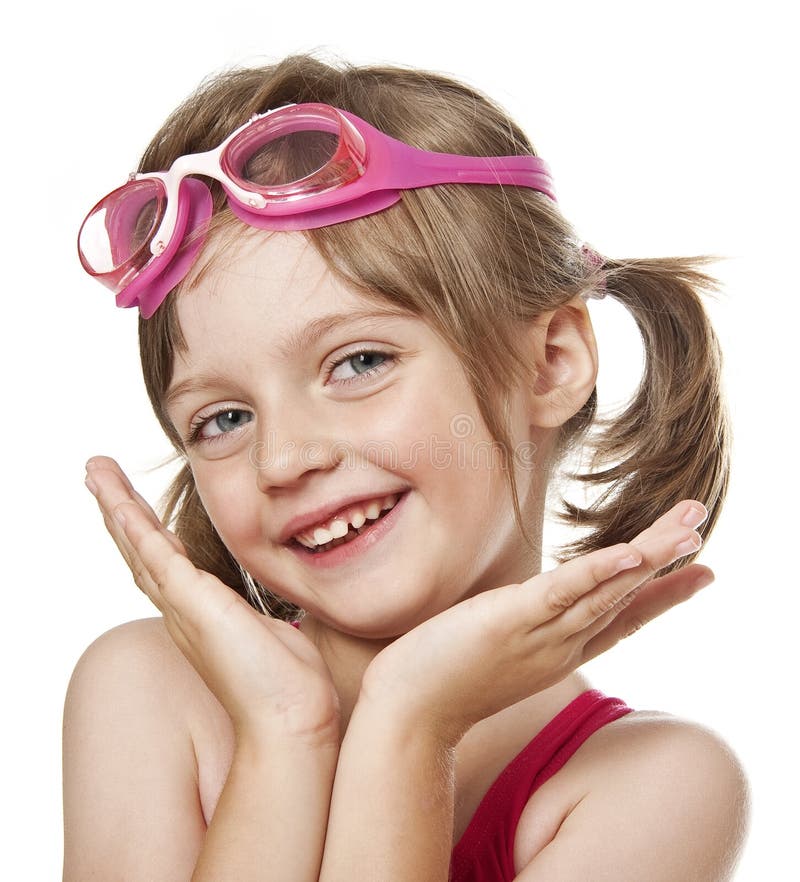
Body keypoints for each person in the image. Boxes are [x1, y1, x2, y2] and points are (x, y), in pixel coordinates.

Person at [63, 54, 750, 881]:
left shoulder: (656, 787)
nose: (283, 458)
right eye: (225, 418)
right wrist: (285, 732)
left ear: (552, 361)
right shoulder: (143, 695)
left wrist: (409, 726)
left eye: (358, 363)